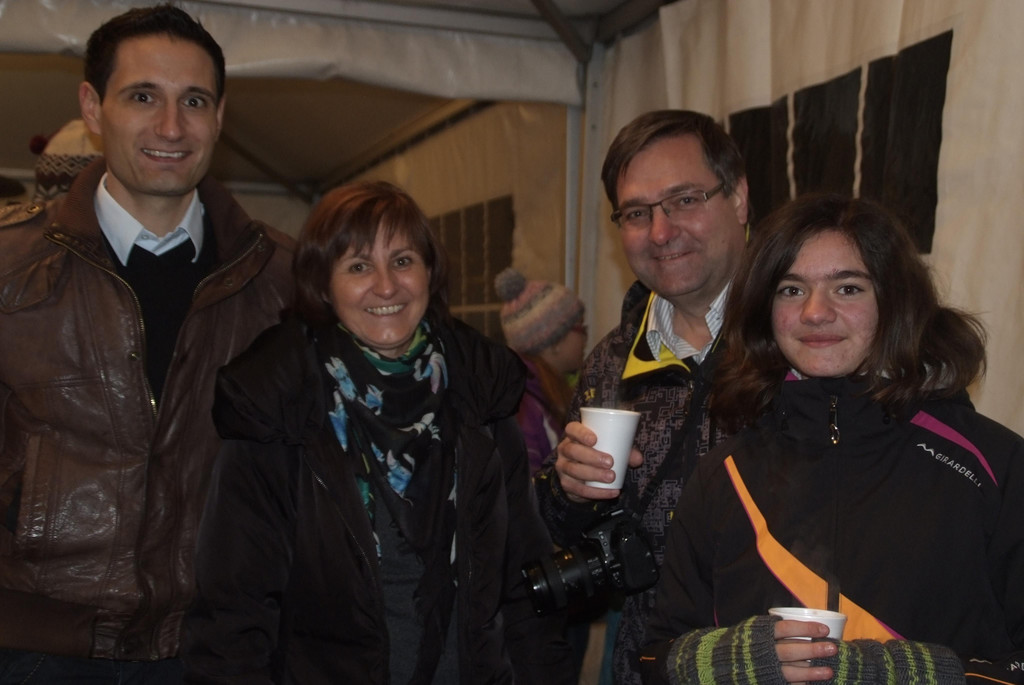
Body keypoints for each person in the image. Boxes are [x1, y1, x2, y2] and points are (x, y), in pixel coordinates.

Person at [0, 5, 293, 682]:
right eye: (142, 97)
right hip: (38, 648)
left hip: (217, 648)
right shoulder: (11, 270)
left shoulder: (281, 279)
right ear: (92, 107)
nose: (170, 127)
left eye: (194, 101)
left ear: (220, 116)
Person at [182, 181, 573, 684]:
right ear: (324, 285)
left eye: (403, 260)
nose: (387, 287)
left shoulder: (481, 393)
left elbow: (527, 583)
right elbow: (232, 617)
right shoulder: (277, 405)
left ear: (430, 272)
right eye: (359, 266)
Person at [641, 194, 1024, 685]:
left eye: (847, 288)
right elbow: (655, 659)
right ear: (764, 308)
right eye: (791, 289)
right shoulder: (723, 475)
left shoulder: (993, 464)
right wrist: (727, 659)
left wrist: (909, 675)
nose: (815, 312)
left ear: (896, 300)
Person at [534, 110, 750, 684]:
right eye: (637, 213)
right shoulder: (611, 361)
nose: (660, 231)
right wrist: (567, 490)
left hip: (776, 663)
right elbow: (558, 528)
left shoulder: (800, 338)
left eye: (684, 200)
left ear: (739, 198)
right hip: (647, 664)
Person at [494, 267, 587, 475]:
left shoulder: (544, 393)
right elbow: (524, 486)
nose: (585, 337)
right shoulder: (522, 407)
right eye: (580, 328)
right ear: (555, 341)